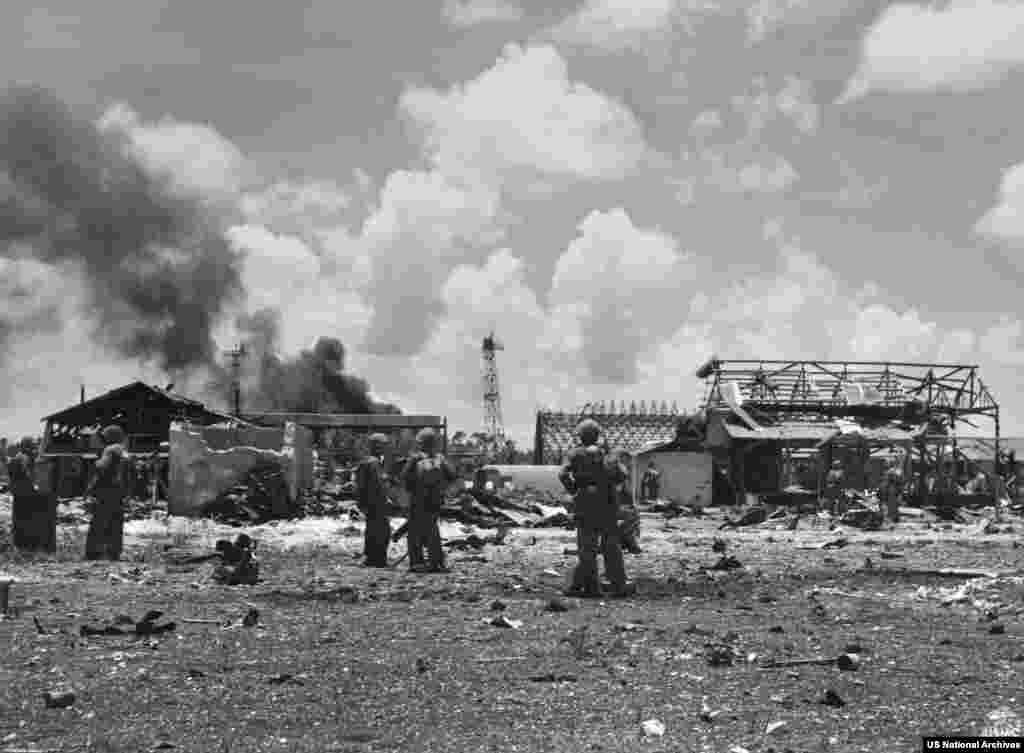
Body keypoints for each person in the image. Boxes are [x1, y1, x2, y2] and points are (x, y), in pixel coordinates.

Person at [559, 420, 632, 598]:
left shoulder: (574, 454)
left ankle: (592, 588)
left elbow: (562, 474)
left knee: (587, 549)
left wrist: (574, 489)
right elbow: (622, 475)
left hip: (586, 504)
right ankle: (619, 586)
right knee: (612, 547)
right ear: (598, 435)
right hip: (607, 505)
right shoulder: (609, 455)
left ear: (581, 436)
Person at [402, 428, 456, 573]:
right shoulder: (441, 458)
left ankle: (417, 563)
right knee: (433, 530)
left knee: (414, 531)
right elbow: (452, 476)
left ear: (421, 443)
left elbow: (405, 477)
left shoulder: (415, 458)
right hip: (435, 501)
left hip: (418, 500)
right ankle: (436, 562)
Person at [85, 425, 133, 561]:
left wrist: (96, 465)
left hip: (106, 492)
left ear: (109, 437)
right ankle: (114, 553)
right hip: (119, 494)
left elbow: (101, 467)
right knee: (116, 524)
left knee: (98, 523)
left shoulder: (110, 449)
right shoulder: (124, 451)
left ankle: (93, 554)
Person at [9, 439, 54, 552]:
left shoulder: (19, 458)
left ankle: (23, 545)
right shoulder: (22, 458)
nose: (34, 450)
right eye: (32, 447)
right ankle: (26, 546)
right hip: (25, 494)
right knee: (25, 520)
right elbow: (28, 476)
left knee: (21, 520)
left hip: (21, 494)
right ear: (26, 447)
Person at [356, 433, 392, 568]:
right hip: (377, 503)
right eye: (384, 445)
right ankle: (378, 560)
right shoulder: (374, 463)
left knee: (372, 529)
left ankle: (371, 558)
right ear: (378, 447)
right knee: (383, 531)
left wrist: (361, 503)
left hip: (370, 504)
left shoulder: (366, 462)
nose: (385, 448)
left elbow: (360, 486)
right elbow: (378, 484)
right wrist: (386, 499)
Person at [615, 450, 642, 554]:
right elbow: (617, 491)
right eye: (629, 459)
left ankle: (625, 542)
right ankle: (631, 544)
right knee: (631, 517)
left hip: (621, 506)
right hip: (617, 506)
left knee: (633, 516)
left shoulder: (623, 472)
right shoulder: (619, 471)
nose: (631, 463)